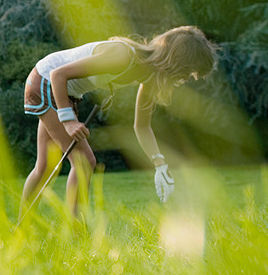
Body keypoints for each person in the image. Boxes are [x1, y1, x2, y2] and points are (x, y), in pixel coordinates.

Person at [20, 25, 218, 218]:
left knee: (45, 167)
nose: (186, 79)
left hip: (63, 92)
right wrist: (68, 120)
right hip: (46, 82)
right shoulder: (123, 56)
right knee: (84, 161)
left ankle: (24, 229)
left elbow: (141, 126)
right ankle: (76, 232)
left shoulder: (148, 76)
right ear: (176, 62)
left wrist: (160, 165)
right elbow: (58, 75)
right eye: (188, 72)